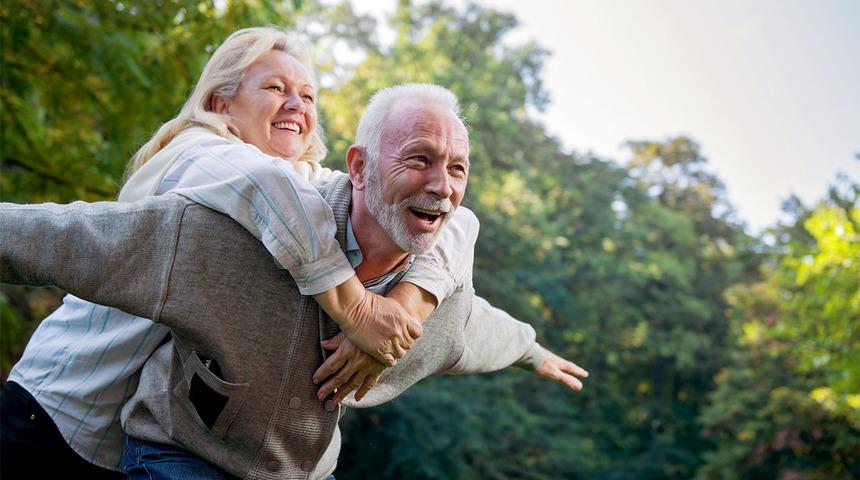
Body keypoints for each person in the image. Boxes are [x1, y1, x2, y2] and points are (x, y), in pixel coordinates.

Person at [0, 83, 589, 479]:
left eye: (457, 168)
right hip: (179, 457)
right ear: (359, 167)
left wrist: (532, 350)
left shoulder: (436, 302)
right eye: (419, 159)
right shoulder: (231, 237)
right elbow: (71, 237)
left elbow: (480, 330)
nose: (443, 186)